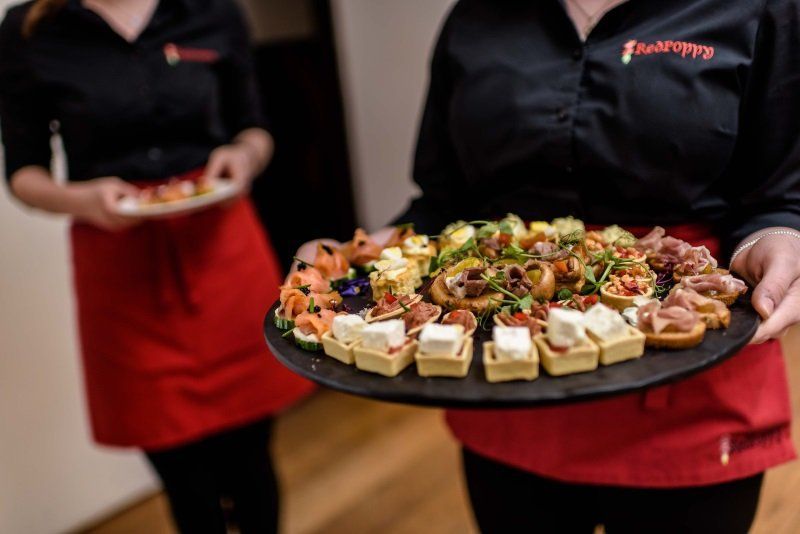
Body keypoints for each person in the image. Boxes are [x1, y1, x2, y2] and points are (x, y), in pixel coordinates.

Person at [299, 0, 800, 532]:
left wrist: (777, 237)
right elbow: (445, 202)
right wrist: (365, 252)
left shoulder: (760, 9)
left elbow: (780, 191)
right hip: (508, 381)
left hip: (688, 360)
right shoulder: (473, 18)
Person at [0, 1, 314, 532]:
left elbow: (254, 129)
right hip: (119, 269)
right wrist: (81, 200)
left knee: (250, 459)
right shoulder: (30, 30)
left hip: (221, 251)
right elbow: (23, 172)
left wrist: (243, 158)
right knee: (184, 478)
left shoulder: (214, 11)